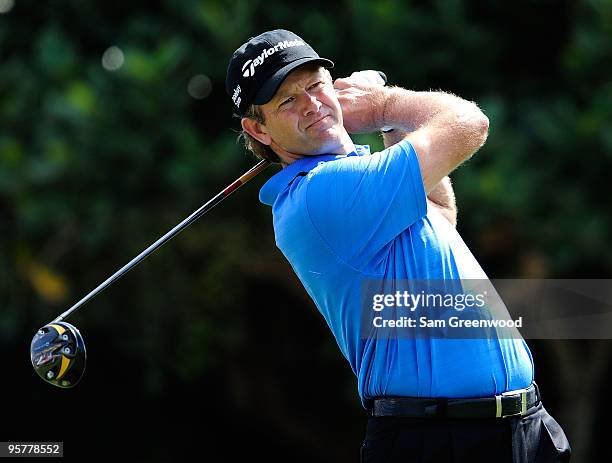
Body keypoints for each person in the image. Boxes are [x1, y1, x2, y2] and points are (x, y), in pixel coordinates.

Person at [225, 29, 571, 462]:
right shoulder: (318, 194)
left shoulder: (359, 180)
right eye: (287, 101)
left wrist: (388, 124)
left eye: (315, 85)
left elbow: (440, 213)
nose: (312, 104)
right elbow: (469, 124)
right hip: (437, 440)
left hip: (519, 430)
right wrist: (383, 104)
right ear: (258, 129)